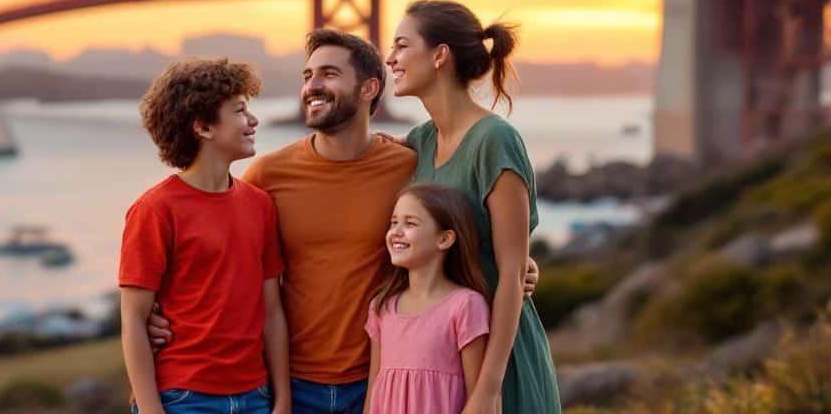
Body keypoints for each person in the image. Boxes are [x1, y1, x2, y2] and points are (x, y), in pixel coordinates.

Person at [147, 30, 538, 414]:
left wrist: (519, 263)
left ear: (369, 89)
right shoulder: (268, 174)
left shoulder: (409, 166)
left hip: (381, 382)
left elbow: (460, 223)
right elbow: (223, 260)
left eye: (328, 74)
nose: (312, 86)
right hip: (291, 386)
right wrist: (154, 312)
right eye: (307, 76)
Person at [386, 0, 562, 414]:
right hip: (438, 357)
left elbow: (512, 271)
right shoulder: (420, 140)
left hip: (498, 358)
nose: (390, 59)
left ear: (440, 55)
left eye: (401, 46)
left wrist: (486, 391)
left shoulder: (495, 141)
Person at [119, 59, 290, 414]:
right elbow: (134, 320)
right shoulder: (154, 210)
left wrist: (282, 399)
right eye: (240, 110)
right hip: (183, 398)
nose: (253, 121)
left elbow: (272, 312)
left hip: (255, 396)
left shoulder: (259, 205)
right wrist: (152, 410)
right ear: (204, 127)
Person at [363, 184, 492, 414]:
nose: (396, 231)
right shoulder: (381, 307)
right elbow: (374, 389)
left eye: (410, 223)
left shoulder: (465, 306)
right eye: (394, 222)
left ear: (444, 239)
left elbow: (479, 397)